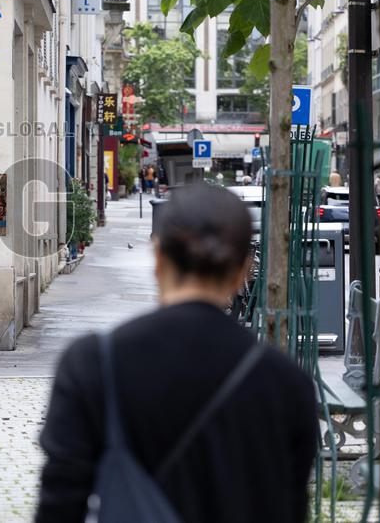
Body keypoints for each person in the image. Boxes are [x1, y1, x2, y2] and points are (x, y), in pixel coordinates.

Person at [36, 183, 317, 523]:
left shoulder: (93, 364)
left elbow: (60, 504)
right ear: (243, 270)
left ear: (157, 258)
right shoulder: (286, 382)